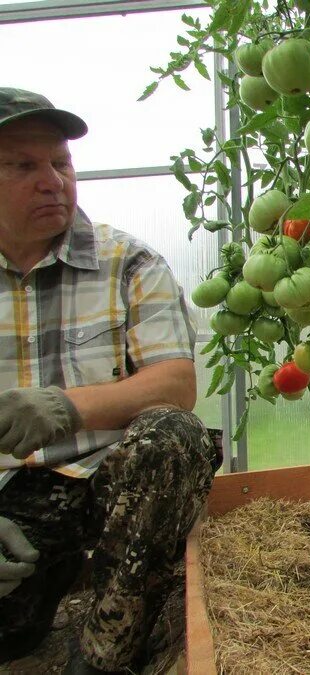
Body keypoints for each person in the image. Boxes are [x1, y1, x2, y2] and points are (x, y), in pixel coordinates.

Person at [0, 87, 220, 674]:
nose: (52, 180)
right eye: (24, 165)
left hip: (110, 485)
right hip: (10, 500)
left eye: (61, 162)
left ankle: (103, 655)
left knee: (175, 436)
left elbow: (175, 384)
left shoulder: (128, 262)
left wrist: (63, 407)